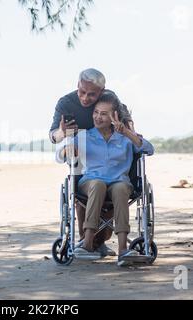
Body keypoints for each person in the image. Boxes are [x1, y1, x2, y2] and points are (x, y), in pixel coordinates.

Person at [55, 93, 154, 266]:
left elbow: (149, 149)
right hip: (90, 182)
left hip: (119, 182)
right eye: (96, 112)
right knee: (98, 184)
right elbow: (60, 156)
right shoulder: (85, 136)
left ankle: (123, 249)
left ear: (114, 116)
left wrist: (128, 133)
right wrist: (68, 147)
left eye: (103, 114)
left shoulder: (125, 137)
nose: (97, 117)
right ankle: (87, 244)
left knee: (121, 188)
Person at [50, 68, 133, 257]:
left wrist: (129, 133)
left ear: (102, 92)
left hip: (110, 146)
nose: (86, 98)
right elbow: (54, 136)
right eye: (82, 91)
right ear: (77, 85)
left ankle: (100, 242)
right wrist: (63, 134)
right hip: (82, 146)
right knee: (87, 193)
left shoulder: (110, 99)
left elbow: (127, 123)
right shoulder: (66, 103)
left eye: (92, 94)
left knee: (114, 192)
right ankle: (86, 240)